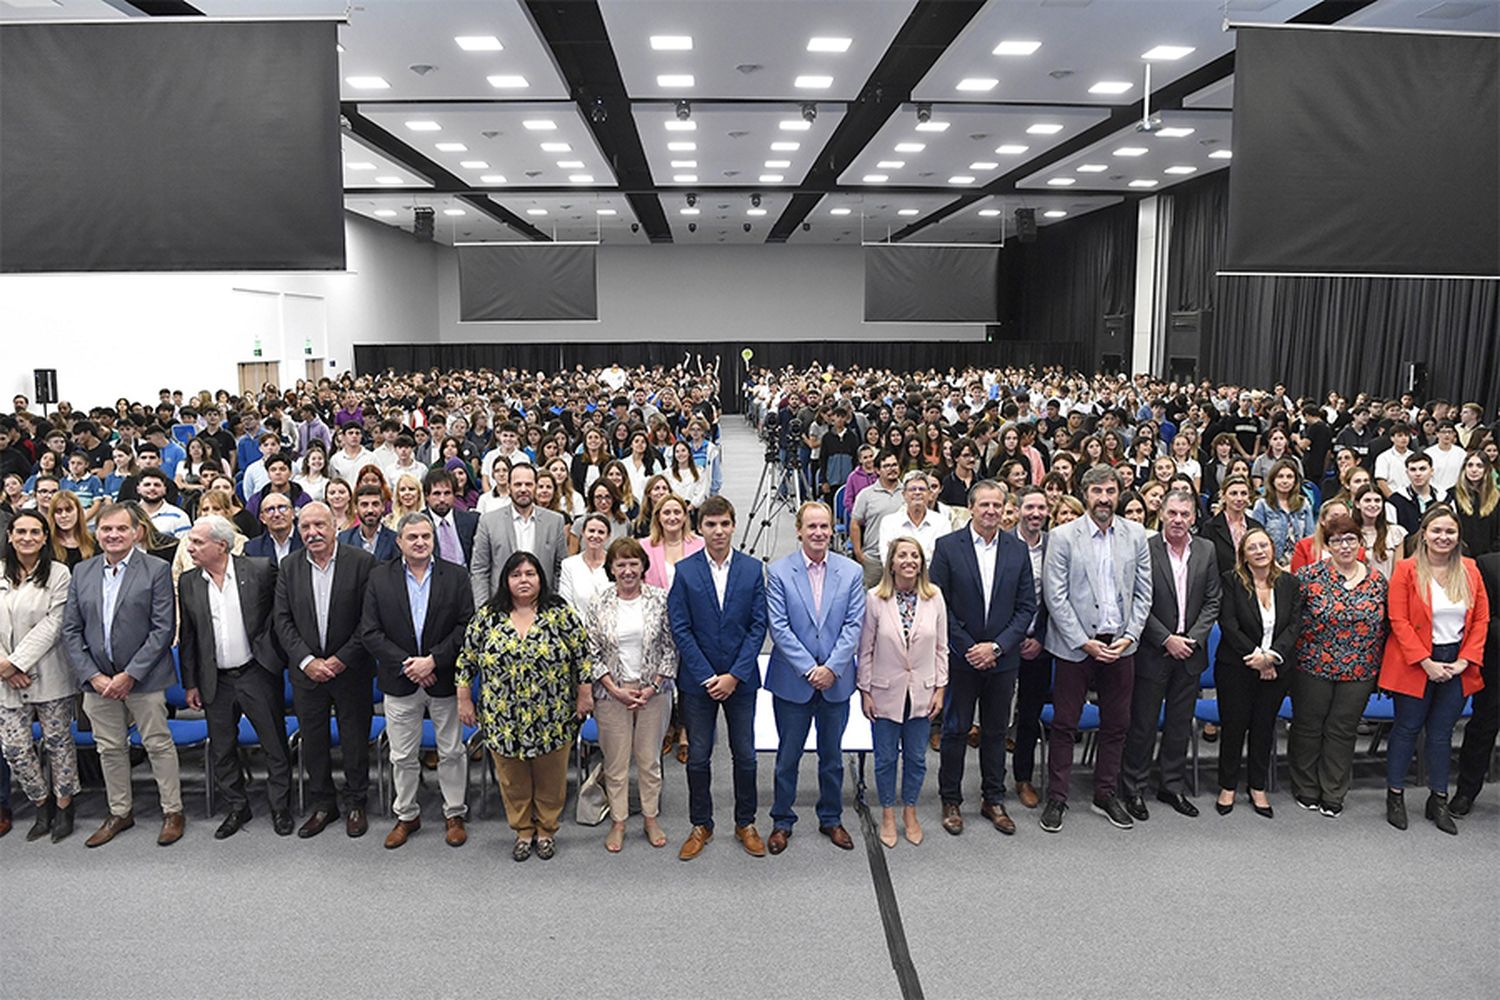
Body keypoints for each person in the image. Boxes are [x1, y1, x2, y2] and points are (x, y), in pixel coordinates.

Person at [61, 502, 184, 847]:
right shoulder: (82, 572)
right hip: (97, 681)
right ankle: (120, 812)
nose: (113, 535)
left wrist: (130, 674)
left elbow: (162, 629)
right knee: (109, 748)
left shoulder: (156, 569)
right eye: (106, 529)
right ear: (96, 533)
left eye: (120, 529)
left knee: (158, 744)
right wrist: (94, 676)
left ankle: (172, 811)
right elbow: (71, 631)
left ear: (136, 532)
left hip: (143, 678)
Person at [1039, 465, 1154, 833]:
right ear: (1085, 493)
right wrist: (1084, 642)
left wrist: (1131, 636)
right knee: (1064, 724)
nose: (1104, 498)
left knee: (1117, 724)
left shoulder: (1136, 535)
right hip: (1075, 647)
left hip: (1120, 645)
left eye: (1110, 491)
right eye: (1097, 491)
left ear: (1119, 493)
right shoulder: (1061, 536)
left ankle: (1105, 793)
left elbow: (1143, 592)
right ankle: (1057, 797)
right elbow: (1055, 597)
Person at [457, 551, 588, 861]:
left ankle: (546, 830)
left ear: (541, 578)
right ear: (506, 580)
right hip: (503, 716)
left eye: (530, 573)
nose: (524, 580)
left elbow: (582, 655)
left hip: (551, 714)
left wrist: (585, 694)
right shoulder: (488, 615)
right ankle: (523, 831)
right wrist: (464, 698)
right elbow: (466, 659)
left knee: (551, 776)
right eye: (516, 575)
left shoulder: (559, 613)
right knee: (512, 776)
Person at [928, 480, 1036, 835]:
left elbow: (1025, 608)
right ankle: (951, 800)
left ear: (1006, 510)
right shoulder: (947, 547)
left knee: (994, 731)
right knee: (956, 729)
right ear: (971, 508)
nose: (991, 511)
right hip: (962, 657)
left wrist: (997, 647)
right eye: (984, 505)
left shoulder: (1017, 550)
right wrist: (970, 647)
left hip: (1002, 660)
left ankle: (993, 798)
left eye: (997, 505)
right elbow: (937, 603)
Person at [361, 513, 475, 849]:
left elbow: (466, 626)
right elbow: (370, 631)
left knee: (452, 751)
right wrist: (408, 664)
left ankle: (454, 812)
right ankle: (407, 814)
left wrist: (433, 661)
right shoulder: (379, 577)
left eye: (426, 536)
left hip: (442, 677)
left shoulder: (455, 576)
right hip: (400, 679)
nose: (420, 542)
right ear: (399, 541)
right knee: (402, 755)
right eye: (412, 537)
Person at [177, 516, 294, 838]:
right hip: (216, 680)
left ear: (222, 545)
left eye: (198, 542)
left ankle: (280, 808)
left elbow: (281, 616)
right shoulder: (188, 581)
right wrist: (190, 683)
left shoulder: (258, 569)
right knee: (223, 749)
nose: (191, 548)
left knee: (274, 744)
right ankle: (237, 807)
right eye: (191, 541)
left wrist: (274, 656)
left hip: (256, 673)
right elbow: (188, 636)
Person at [667, 496, 769, 861]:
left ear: (733, 525)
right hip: (699, 682)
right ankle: (701, 824)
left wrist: (735, 675)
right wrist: (710, 676)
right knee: (698, 757)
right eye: (711, 525)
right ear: (700, 528)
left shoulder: (753, 569)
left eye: (724, 523)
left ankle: (746, 823)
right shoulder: (685, 571)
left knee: (745, 755)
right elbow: (680, 628)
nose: (719, 531)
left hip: (740, 681)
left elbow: (759, 627)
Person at [1380, 508, 1489, 834]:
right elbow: (1397, 620)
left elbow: (1481, 619)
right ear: (1423, 533)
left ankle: (1438, 798)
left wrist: (1464, 660)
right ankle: (1395, 795)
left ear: (1458, 537)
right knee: (1407, 729)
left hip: (1457, 662)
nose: (1443, 537)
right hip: (1415, 661)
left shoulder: (1470, 569)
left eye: (1450, 532)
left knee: (1442, 734)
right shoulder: (1406, 569)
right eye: (1437, 531)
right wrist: (1425, 661)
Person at [764, 501, 866, 853]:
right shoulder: (778, 572)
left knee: (833, 757)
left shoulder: (851, 572)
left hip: (836, 681)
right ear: (799, 530)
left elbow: (854, 626)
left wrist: (831, 668)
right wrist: (811, 669)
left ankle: (831, 819)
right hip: (794, 682)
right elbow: (778, 628)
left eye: (824, 526)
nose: (819, 533)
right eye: (812, 527)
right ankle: (781, 821)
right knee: (787, 757)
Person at [273, 502, 377, 839]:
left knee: (354, 739)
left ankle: (356, 802)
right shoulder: (288, 566)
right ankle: (323, 803)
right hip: (307, 672)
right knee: (313, 740)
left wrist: (341, 658)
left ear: (335, 527)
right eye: (305, 527)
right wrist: (307, 661)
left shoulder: (361, 562)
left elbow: (369, 619)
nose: (312, 533)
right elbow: (282, 619)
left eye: (320, 525)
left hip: (351, 669)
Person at [1120, 489, 1222, 821]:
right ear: (1161, 514)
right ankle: (1133, 786)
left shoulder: (1206, 550)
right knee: (1143, 723)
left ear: (1194, 517)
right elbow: (1137, 602)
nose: (1178, 519)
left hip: (1190, 653)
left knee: (1180, 723)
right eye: (1173, 513)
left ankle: (1171, 785)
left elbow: (1213, 601)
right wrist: (1166, 639)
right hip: (1153, 650)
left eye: (1185, 514)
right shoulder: (1145, 550)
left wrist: (1190, 639)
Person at [1289, 512, 1387, 817]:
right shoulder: (1308, 577)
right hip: (1313, 666)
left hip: (1359, 669)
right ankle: (1306, 786)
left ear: (1360, 542)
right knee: (1308, 727)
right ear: (1327, 544)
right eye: (1336, 540)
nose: (1344, 546)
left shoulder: (1377, 581)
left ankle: (1333, 790)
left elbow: (1384, 627)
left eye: (1350, 539)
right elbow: (1291, 623)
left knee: (1342, 730)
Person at [585, 538, 677, 852]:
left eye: (633, 563)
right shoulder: (599, 602)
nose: (627, 570)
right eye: (620, 564)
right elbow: (591, 652)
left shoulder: (661, 600)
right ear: (611, 568)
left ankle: (651, 818)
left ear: (643, 567)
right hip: (612, 695)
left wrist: (652, 686)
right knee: (616, 762)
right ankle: (619, 821)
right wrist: (614, 688)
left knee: (649, 761)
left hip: (654, 691)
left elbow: (671, 647)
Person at [858, 537, 947, 846]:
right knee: (884, 759)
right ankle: (887, 812)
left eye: (915, 556)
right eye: (902, 556)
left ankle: (909, 809)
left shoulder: (934, 597)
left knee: (916, 758)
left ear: (922, 562)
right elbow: (865, 649)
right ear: (891, 563)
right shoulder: (874, 598)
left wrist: (940, 688)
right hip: (884, 691)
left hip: (922, 692)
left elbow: (941, 648)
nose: (909, 561)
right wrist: (865, 690)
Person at [0, 511, 79, 843]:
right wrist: (5, 665)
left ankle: (64, 804)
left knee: (58, 744)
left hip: (49, 674)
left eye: (35, 531)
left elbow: (53, 625)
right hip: (4, 677)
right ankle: (40, 802)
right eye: (21, 531)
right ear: (9, 535)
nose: (27, 537)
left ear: (46, 537)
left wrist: (17, 663)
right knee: (14, 748)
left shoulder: (59, 573)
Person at [1215, 526, 1302, 817]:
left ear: (1273, 549)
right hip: (1237, 667)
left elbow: (1294, 625)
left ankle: (1257, 787)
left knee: (1264, 728)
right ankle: (1227, 786)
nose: (1260, 551)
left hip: (1277, 670)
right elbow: (1228, 624)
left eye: (1264, 545)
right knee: (1234, 726)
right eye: (1252, 547)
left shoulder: (1289, 583)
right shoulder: (1231, 581)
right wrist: (1257, 657)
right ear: (1243, 555)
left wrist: (1272, 658)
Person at [470, 463, 568, 606]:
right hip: (501, 607)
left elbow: (560, 568)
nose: (523, 489)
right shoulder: (488, 522)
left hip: (543, 608)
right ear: (509, 487)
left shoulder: (555, 522)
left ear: (535, 486)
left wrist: (554, 604)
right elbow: (480, 569)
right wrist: (484, 609)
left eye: (528, 484)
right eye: (518, 484)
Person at [1009, 486, 1052, 809]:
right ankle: (991, 780)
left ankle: (1023, 776)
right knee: (995, 717)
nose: (1035, 514)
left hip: (1041, 642)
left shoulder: (1057, 546)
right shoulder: (1003, 543)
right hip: (1003, 642)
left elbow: (1062, 597)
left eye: (1041, 508)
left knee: (1029, 714)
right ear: (1018, 510)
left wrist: (1041, 638)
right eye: (1029, 508)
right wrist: (1010, 638)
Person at [1451, 549, 1500, 817]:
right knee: (1483, 730)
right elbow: (1483, 617)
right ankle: (1466, 792)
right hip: (1497, 668)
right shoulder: (1488, 564)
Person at [850, 449, 905, 588]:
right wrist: (859, 553)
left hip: (903, 558)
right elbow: (855, 523)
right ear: (877, 470)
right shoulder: (866, 495)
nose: (892, 469)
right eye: (886, 466)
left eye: (894, 465)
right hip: (874, 559)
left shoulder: (907, 492)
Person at [876, 470, 952, 561]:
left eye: (922, 489)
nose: (917, 492)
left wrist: (903, 557)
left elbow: (944, 560)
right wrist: (928, 555)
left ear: (928, 494)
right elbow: (887, 560)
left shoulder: (942, 523)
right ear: (904, 494)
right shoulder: (889, 523)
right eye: (912, 489)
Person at [1251, 459, 1316, 566]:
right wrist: (1273, 564)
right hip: (1271, 564)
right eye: (1280, 476)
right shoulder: (1262, 504)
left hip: (1300, 564)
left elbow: (1310, 538)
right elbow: (1257, 539)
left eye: (1289, 477)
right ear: (1273, 480)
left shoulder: (1304, 503)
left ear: (1295, 481)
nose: (1285, 481)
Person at [1201, 474, 1262, 574]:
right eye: (1233, 493)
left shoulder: (1256, 526)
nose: (1239, 498)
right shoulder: (1210, 527)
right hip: (1222, 584)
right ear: (1223, 496)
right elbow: (1205, 563)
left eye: (1243, 493)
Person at [641, 494, 704, 590]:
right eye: (666, 513)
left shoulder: (701, 545)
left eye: (677, 512)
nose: (672, 517)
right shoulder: (644, 546)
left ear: (685, 516)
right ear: (658, 517)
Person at [557, 513, 613, 619]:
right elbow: (566, 603)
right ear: (583, 532)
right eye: (591, 531)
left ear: (608, 536)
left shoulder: (615, 564)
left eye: (601, 532)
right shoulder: (569, 565)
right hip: (579, 629)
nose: (595, 536)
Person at [423, 468, 479, 567]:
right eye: (437, 493)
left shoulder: (470, 521)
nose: (442, 499)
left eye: (447, 493)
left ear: (454, 495)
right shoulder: (418, 523)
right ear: (427, 496)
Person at [1450, 451, 1500, 556]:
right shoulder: (1451, 495)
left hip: (1490, 557)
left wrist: (1491, 554)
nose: (1474, 470)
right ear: (1464, 468)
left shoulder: (1497, 497)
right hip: (1459, 556)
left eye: (1479, 466)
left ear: (1486, 469)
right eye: (1470, 465)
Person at [339, 484, 398, 562]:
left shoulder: (395, 539)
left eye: (375, 504)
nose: (370, 510)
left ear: (383, 507)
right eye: (364, 505)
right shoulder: (344, 539)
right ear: (356, 508)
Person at [242, 491, 303, 563]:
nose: (277, 514)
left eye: (282, 508)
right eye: (270, 510)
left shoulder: (305, 542)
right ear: (262, 518)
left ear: (293, 513)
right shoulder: (253, 548)